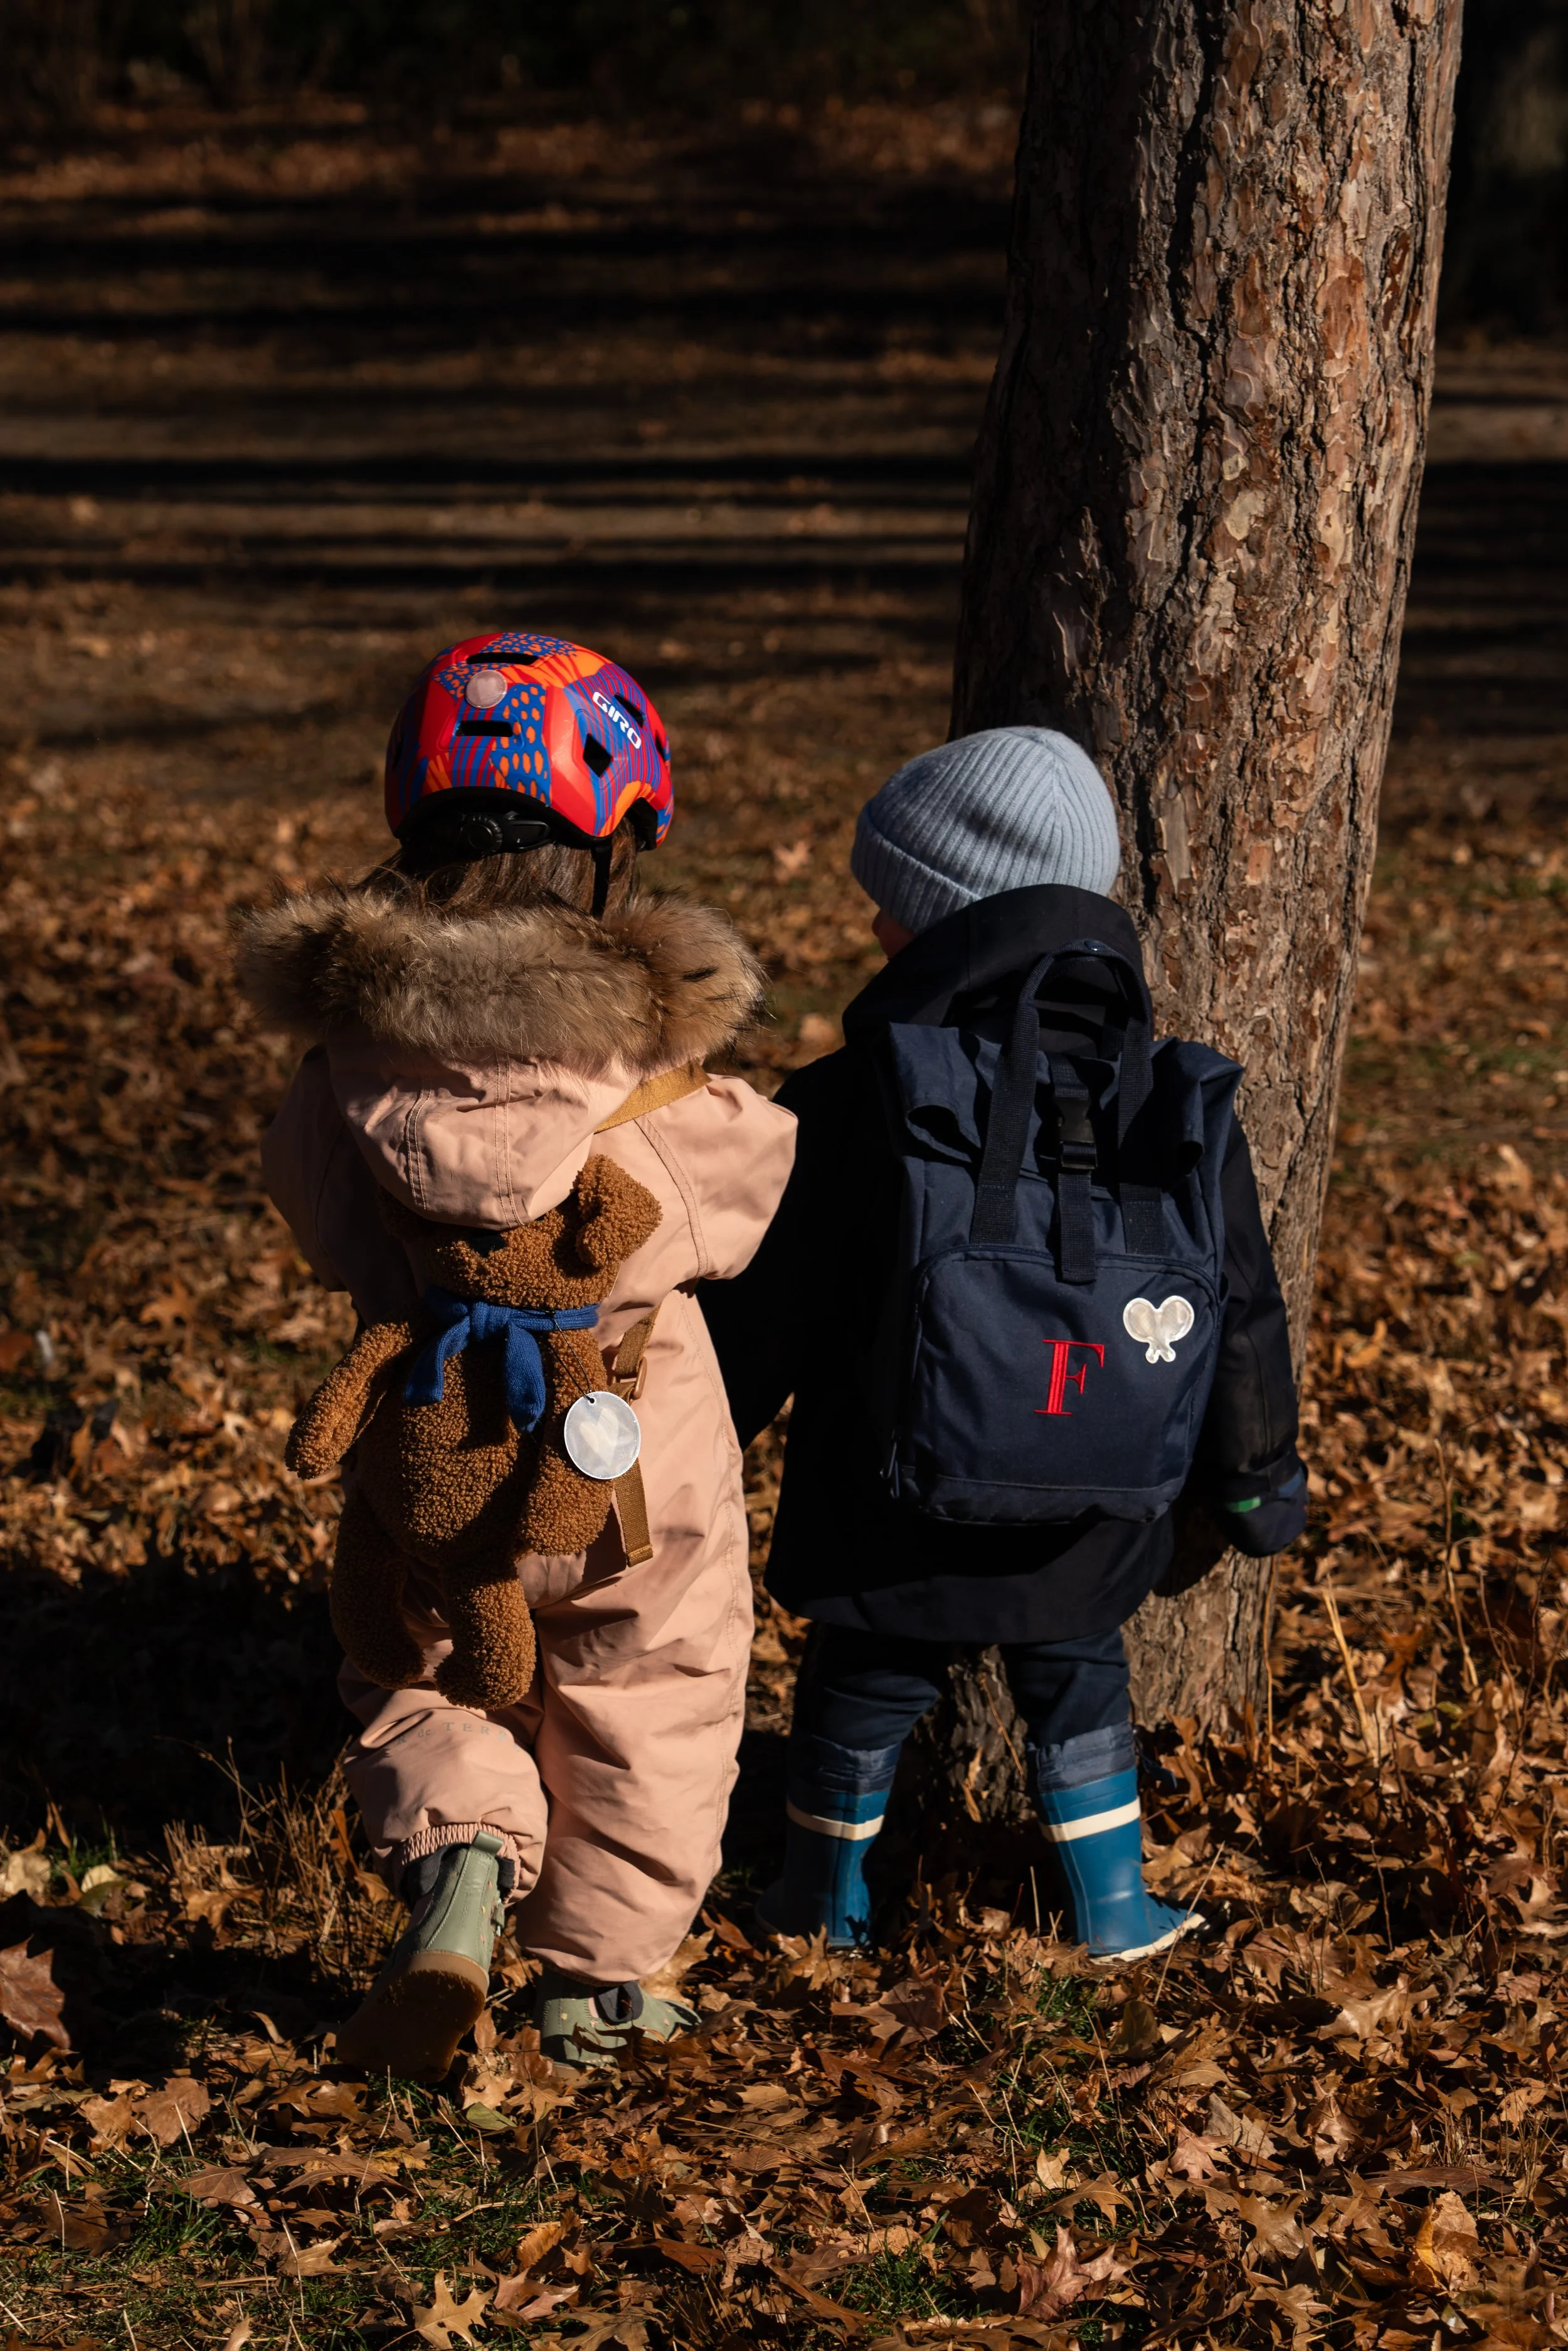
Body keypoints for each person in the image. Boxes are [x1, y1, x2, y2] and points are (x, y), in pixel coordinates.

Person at [236, 632, 795, 2076]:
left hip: (430, 1419)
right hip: (624, 1438)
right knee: (653, 1682)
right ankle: (597, 1978)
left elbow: (310, 1192)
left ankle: (466, 1864)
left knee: (415, 1659)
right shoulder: (649, 1069)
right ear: (614, 846)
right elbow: (738, 1195)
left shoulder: (352, 1060)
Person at [701, 726, 1305, 1963]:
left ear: (940, 917)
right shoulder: (1170, 1097)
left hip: (889, 1495)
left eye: (888, 904)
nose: (872, 927)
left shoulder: (862, 1091)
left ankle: (819, 1904)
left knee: (863, 1677)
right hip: (1093, 1501)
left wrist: (687, 1432)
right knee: (1079, 1675)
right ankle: (1114, 1908)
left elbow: (765, 1306)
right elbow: (1238, 1306)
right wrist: (1254, 1476)